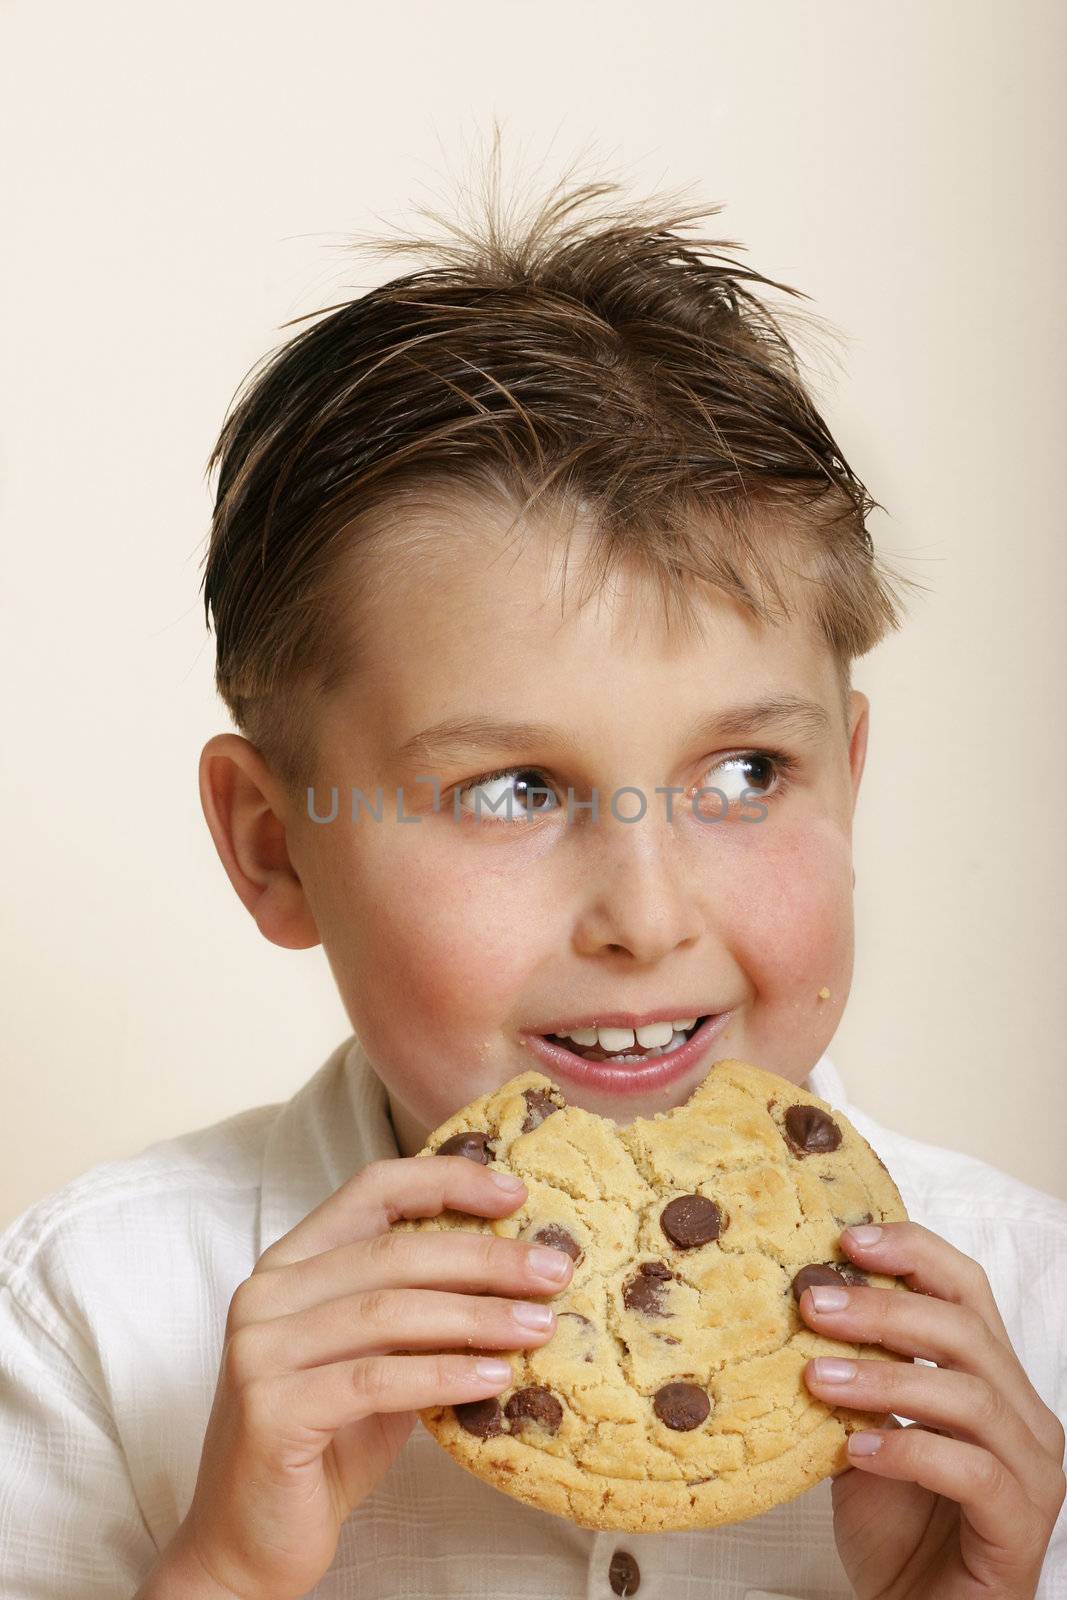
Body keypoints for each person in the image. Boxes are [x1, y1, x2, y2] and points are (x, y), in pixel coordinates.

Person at [2, 161, 1065, 1600]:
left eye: (745, 773)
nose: (647, 916)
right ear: (273, 847)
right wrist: (225, 1574)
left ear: (851, 778)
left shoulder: (1035, 1336)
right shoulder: (97, 1318)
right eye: (515, 791)